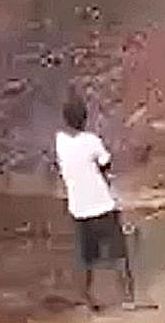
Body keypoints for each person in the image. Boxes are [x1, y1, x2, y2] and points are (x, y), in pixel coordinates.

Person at [54, 95, 136, 312]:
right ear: (85, 117)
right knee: (118, 253)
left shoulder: (60, 142)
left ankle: (88, 300)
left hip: (78, 209)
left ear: (65, 119)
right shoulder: (91, 141)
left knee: (86, 258)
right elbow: (105, 163)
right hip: (102, 204)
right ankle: (128, 298)